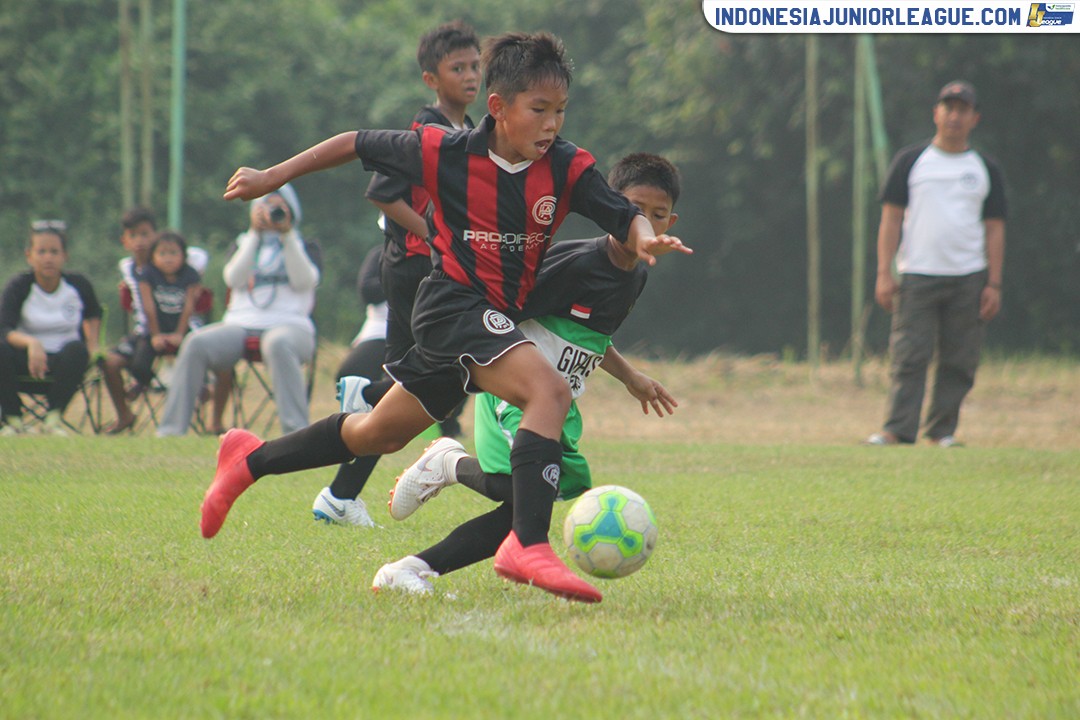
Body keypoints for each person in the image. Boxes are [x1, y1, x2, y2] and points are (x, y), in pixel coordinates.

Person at [204, 32, 690, 604]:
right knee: (549, 393)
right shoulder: (444, 151)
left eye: (560, 110)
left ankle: (247, 459)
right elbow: (353, 143)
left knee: (373, 434)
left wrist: (645, 236)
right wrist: (273, 177)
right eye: (539, 110)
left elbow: (623, 213)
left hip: (482, 324)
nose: (552, 124)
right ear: (498, 107)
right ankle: (527, 545)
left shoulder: (566, 167)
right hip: (451, 306)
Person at [372, 153, 683, 595]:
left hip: (556, 403)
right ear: (614, 208)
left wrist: (631, 377)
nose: (646, 226)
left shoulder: (635, 276)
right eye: (636, 212)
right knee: (528, 496)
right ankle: (451, 465)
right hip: (517, 393)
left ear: (671, 221)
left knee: (526, 508)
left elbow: (590, 336)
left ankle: (411, 569)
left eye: (657, 217)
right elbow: (498, 307)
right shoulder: (576, 263)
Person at [311, 21, 481, 527]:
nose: (471, 76)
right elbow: (384, 194)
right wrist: (435, 235)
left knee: (424, 379)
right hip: (412, 270)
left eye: (475, 66)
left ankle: (343, 492)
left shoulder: (464, 131)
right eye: (458, 69)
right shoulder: (423, 133)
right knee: (438, 375)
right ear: (432, 78)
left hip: (426, 271)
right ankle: (370, 406)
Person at [865, 80, 1006, 448]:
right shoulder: (911, 162)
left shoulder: (984, 168)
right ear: (936, 113)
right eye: (949, 107)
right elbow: (891, 220)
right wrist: (884, 272)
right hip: (917, 274)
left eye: (963, 109)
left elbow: (995, 229)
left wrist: (994, 283)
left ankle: (942, 432)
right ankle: (897, 430)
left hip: (968, 277)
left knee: (959, 360)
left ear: (974, 118)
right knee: (909, 355)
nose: (954, 115)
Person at [157, 183, 320, 437]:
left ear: (292, 210)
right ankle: (170, 432)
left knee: (277, 343)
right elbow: (233, 279)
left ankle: (296, 434)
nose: (273, 213)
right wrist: (254, 235)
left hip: (291, 325)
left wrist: (287, 236)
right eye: (267, 206)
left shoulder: (305, 245)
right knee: (196, 343)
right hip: (239, 324)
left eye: (279, 207)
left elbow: (303, 281)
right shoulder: (243, 243)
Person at [101, 208, 209, 434]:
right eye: (134, 236)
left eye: (145, 235)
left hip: (184, 331)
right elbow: (146, 305)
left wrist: (168, 251)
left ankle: (208, 411)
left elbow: (195, 259)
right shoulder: (129, 268)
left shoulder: (187, 263)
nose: (140, 242)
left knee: (204, 355)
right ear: (125, 241)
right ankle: (126, 412)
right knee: (109, 361)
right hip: (147, 332)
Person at [0, 220, 102, 436]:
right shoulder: (18, 286)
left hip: (64, 365)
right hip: (24, 363)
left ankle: (53, 420)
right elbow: (4, 329)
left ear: (65, 256)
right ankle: (13, 421)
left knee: (77, 349)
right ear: (29, 255)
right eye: (42, 251)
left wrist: (93, 345)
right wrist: (32, 344)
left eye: (54, 252)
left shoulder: (78, 285)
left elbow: (94, 314)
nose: (48, 258)